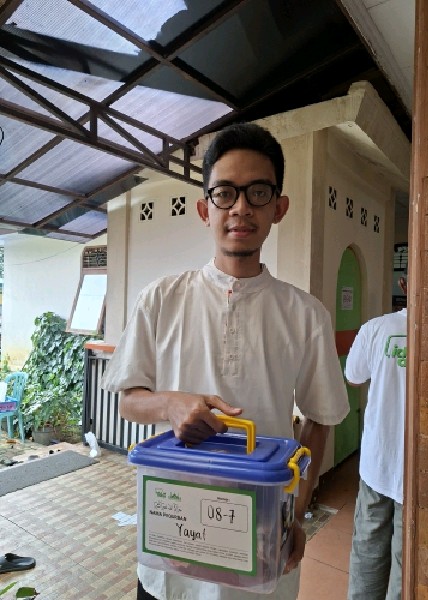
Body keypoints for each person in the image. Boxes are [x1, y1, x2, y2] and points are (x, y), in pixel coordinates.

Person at [101, 122, 349, 600]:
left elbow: (319, 420)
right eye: (225, 193)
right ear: (204, 209)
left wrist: (296, 515)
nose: (240, 207)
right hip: (172, 544)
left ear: (279, 208)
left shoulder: (306, 315)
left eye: (258, 192)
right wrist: (170, 404)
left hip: (260, 542)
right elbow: (129, 401)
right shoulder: (161, 299)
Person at [346, 276, 408, 600]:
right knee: (407, 562)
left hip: (378, 463)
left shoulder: (376, 328)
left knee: (368, 548)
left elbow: (354, 376)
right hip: (421, 473)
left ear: (404, 284)